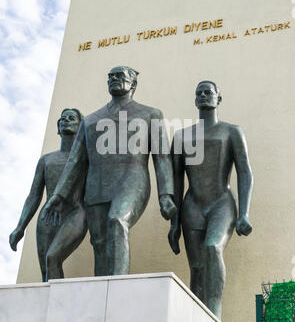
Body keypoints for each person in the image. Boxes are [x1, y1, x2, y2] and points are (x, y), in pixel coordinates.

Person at [43, 66, 176, 276]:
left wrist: (166, 195)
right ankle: (102, 297)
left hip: (132, 179)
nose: (114, 79)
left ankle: (117, 290)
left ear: (133, 83)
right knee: (99, 241)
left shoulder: (150, 114)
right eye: (111, 77)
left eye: (120, 76)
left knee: (117, 220)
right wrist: (59, 195)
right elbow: (75, 162)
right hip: (97, 184)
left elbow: (162, 157)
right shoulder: (90, 120)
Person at [168, 80, 253, 319]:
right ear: (195, 100)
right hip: (192, 206)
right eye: (199, 93)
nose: (204, 95)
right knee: (196, 268)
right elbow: (176, 180)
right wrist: (174, 224)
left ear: (218, 99)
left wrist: (244, 213)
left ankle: (213, 318)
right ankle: (197, 321)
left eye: (209, 92)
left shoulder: (231, 131)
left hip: (221, 203)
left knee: (212, 248)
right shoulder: (182, 136)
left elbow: (245, 172)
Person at [9, 108, 87, 282]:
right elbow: (34, 195)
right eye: (62, 119)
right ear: (58, 128)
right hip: (47, 217)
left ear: (81, 126)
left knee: (53, 258)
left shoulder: (86, 158)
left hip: (75, 213)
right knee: (46, 268)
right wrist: (20, 227)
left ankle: (58, 306)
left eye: (71, 118)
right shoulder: (46, 160)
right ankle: (52, 307)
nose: (66, 120)